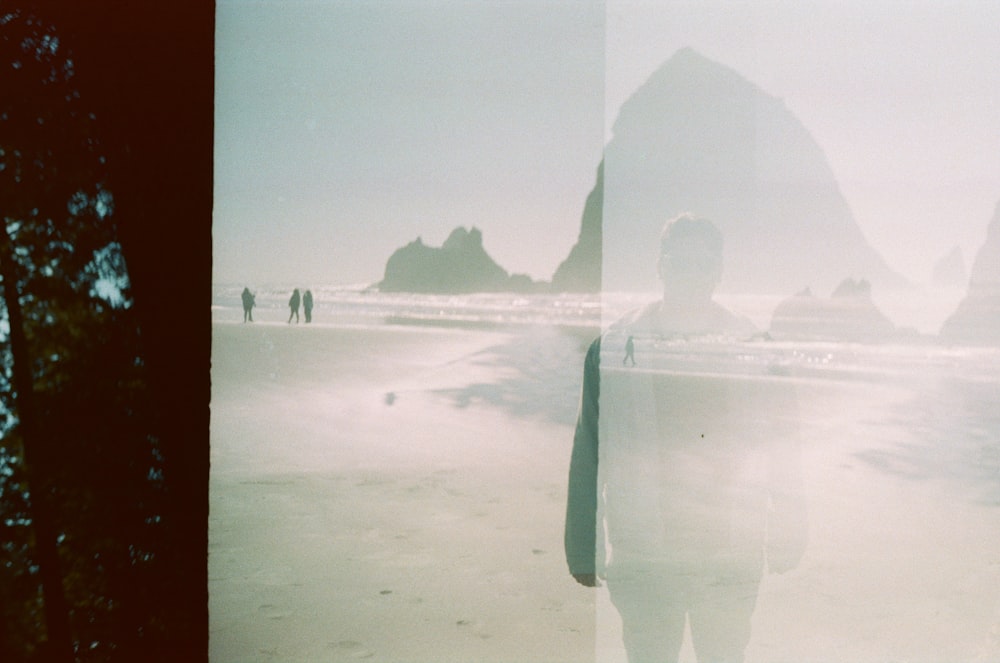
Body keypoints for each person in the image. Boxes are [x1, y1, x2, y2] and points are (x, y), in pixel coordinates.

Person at [565, 214, 807, 663]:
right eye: (680, 263)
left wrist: (791, 526)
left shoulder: (756, 346)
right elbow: (589, 449)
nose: (692, 275)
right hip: (644, 554)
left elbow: (784, 443)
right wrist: (583, 543)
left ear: (718, 270)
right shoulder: (614, 346)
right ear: (661, 266)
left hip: (731, 552)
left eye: (703, 264)